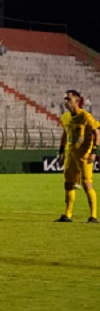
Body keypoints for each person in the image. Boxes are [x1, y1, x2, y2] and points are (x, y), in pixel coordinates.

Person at [56, 90, 99, 223]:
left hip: (84, 155)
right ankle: (68, 215)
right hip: (70, 154)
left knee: (87, 184)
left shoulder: (85, 116)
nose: (66, 101)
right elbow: (65, 134)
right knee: (68, 184)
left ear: (77, 100)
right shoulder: (65, 117)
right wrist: (61, 151)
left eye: (68, 99)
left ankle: (93, 216)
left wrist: (94, 152)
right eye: (65, 99)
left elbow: (97, 133)